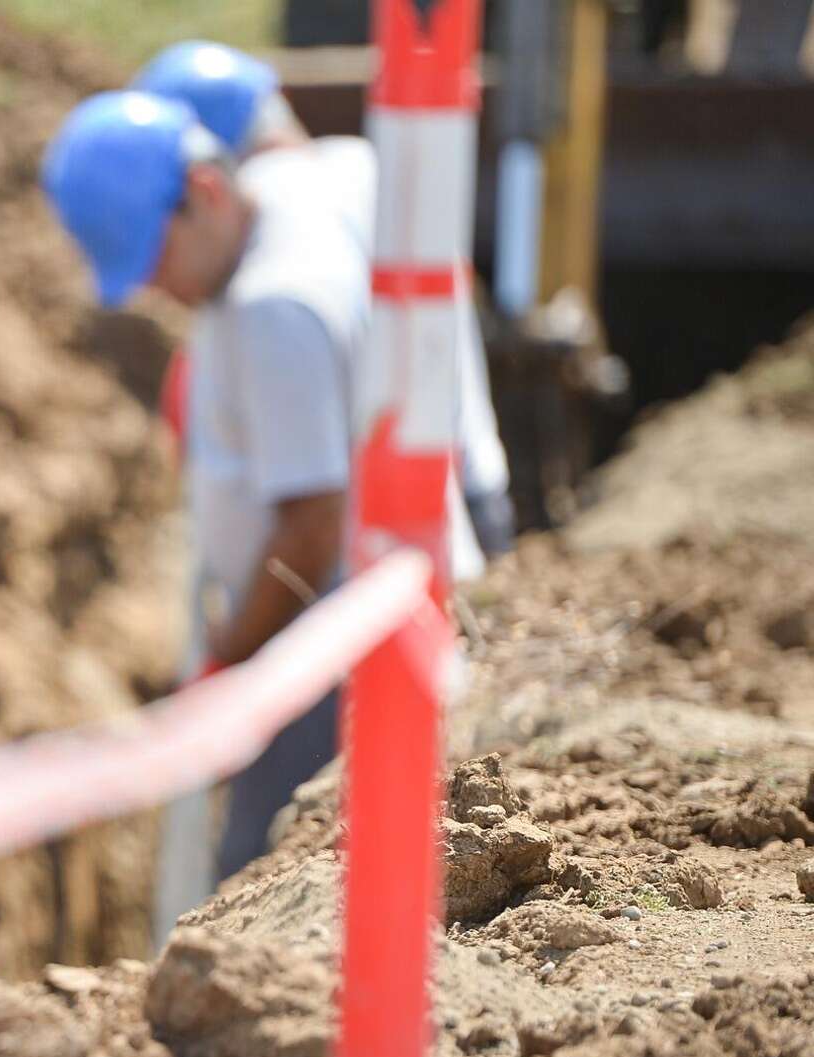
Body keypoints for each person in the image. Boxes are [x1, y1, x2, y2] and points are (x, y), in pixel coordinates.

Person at [43, 92, 380, 883]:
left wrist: (227, 664)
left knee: (258, 864)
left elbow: (309, 528)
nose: (156, 287)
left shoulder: (273, 306)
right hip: (321, 631)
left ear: (208, 192)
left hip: (313, 653)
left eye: (156, 258)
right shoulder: (288, 219)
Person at [133, 40, 517, 558]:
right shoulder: (363, 168)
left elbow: (314, 508)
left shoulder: (277, 272)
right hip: (467, 487)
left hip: (416, 522)